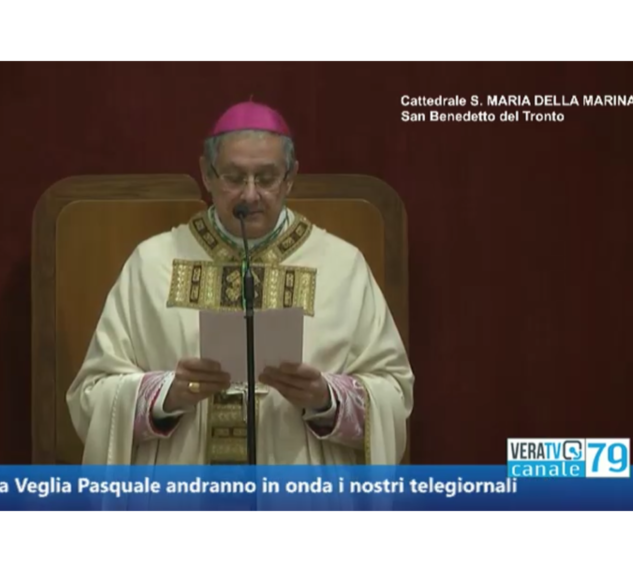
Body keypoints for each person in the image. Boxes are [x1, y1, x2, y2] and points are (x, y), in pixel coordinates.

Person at [66, 100, 415, 465]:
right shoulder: (152, 264)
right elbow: (91, 397)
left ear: (290, 177)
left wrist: (326, 399)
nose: (250, 195)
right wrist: (167, 395)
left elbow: (394, 394)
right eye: (234, 178)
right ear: (207, 174)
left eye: (266, 178)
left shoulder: (341, 267)